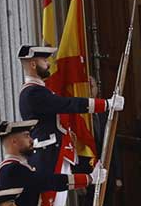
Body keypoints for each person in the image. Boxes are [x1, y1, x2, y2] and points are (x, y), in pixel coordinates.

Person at [18, 45, 122, 177]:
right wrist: (106, 104)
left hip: (54, 152)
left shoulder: (38, 90)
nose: (48, 63)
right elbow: (68, 104)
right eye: (44, 61)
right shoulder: (33, 92)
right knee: (53, 196)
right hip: (48, 155)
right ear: (33, 64)